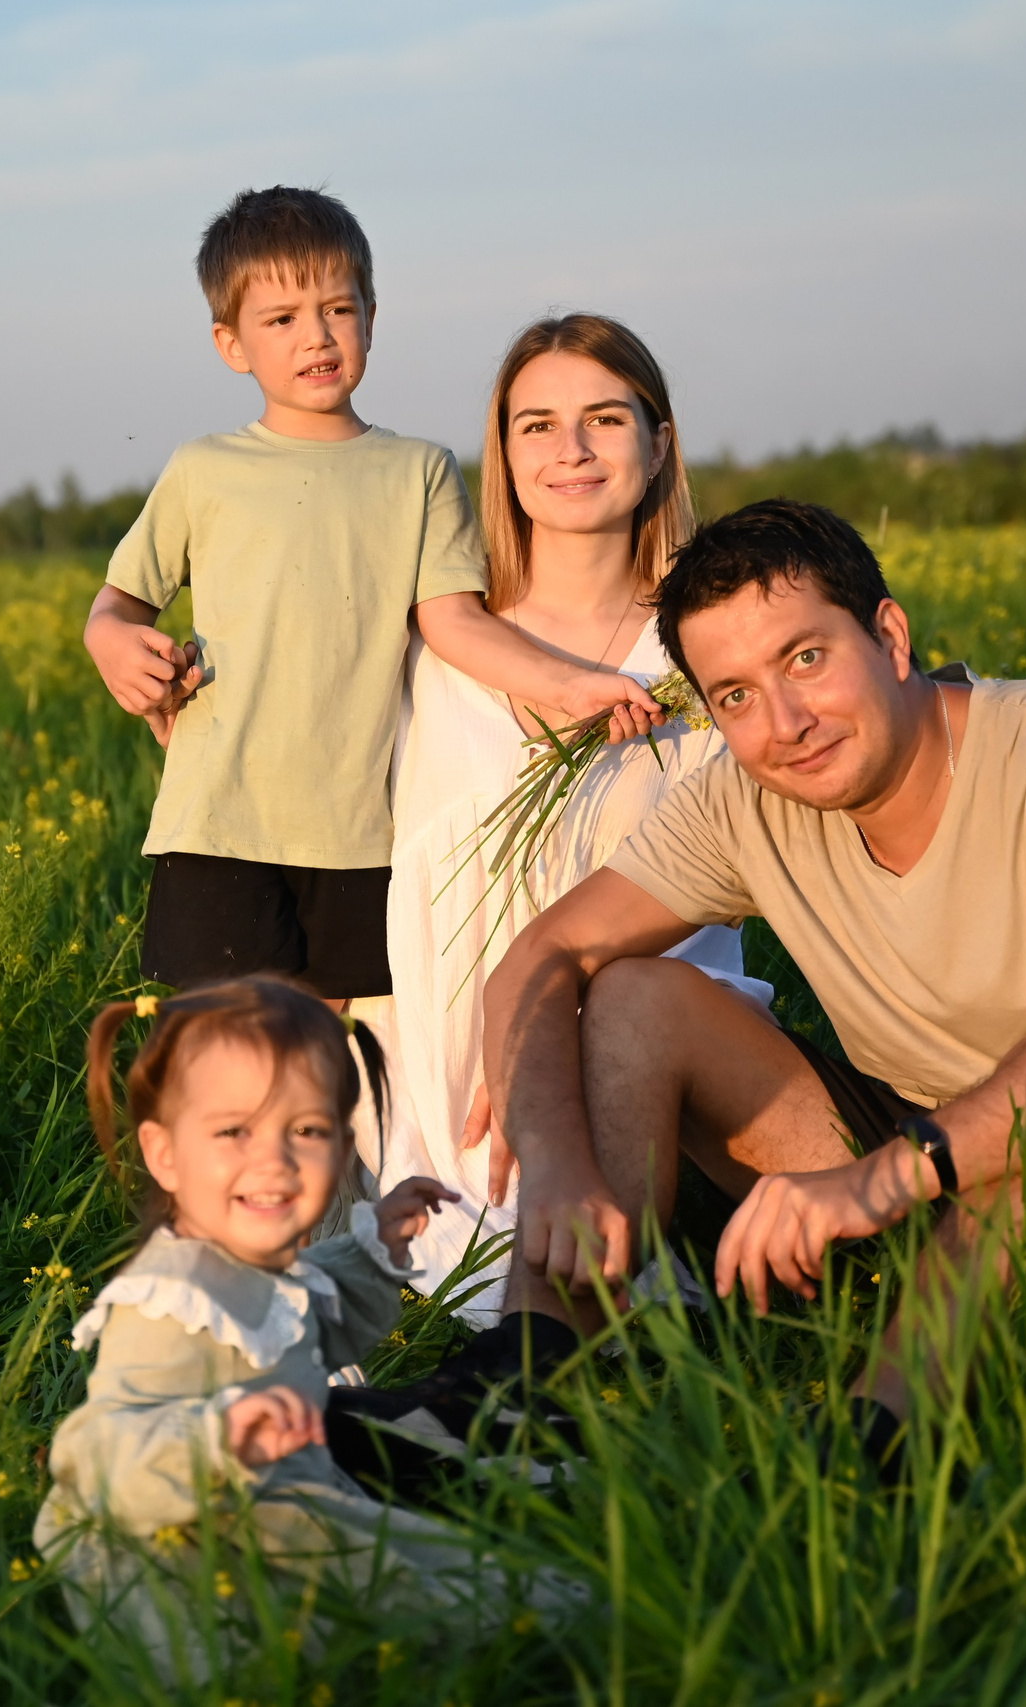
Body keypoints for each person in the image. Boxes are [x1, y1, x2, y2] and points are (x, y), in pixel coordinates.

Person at [377, 499, 1026, 1468]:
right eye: (734, 696)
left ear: (889, 635)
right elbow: (544, 955)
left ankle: (861, 1454)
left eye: (806, 659)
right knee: (637, 996)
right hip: (918, 1150)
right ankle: (524, 1381)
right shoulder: (746, 799)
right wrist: (555, 1166)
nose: (786, 724)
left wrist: (877, 1181)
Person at [81, 188, 660, 1007]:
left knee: (332, 1056)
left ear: (372, 320)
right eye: (281, 319)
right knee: (225, 1046)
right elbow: (118, 606)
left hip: (358, 832)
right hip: (216, 819)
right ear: (230, 343)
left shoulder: (419, 472)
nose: (316, 336)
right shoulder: (203, 468)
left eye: (338, 309)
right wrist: (112, 645)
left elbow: (455, 623)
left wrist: (568, 686)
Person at [366, 313, 770, 1326]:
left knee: (586, 1280)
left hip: (637, 1040)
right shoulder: (434, 641)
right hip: (440, 1057)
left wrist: (543, 1061)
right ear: (500, 453)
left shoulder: (709, 651)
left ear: (659, 440)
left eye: (603, 418)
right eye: (535, 424)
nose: (571, 450)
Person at [34, 976, 548, 1677]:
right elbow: (103, 1454)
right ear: (165, 1154)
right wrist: (223, 1434)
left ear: (342, 1147)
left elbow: (311, 1313)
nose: (273, 1158)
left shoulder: (254, 1259)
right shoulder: (171, 1299)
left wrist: (375, 1246)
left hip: (285, 1495)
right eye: (233, 1130)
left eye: (305, 1129)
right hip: (193, 1535)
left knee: (455, 1576)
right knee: (356, 1615)